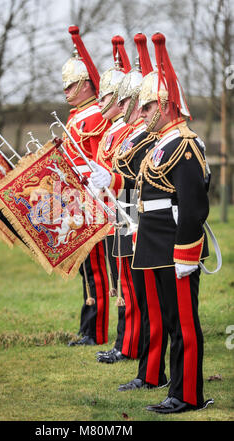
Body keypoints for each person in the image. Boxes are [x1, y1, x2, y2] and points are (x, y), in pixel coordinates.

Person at [93, 32, 214, 413]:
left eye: (146, 109)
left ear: (163, 106)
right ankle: (174, 388)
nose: (140, 116)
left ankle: (187, 394)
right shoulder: (164, 141)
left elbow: (193, 206)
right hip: (156, 242)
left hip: (175, 247)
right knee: (173, 324)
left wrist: (187, 252)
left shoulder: (185, 143)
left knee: (184, 326)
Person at [92, 35, 143, 363]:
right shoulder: (126, 131)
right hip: (120, 207)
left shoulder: (139, 134)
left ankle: (131, 344)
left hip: (132, 209)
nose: (121, 108)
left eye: (127, 102)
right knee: (124, 280)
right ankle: (125, 343)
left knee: (133, 283)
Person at [61, 26, 112, 346]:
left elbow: (94, 162)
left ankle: (96, 331)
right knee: (85, 267)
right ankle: (87, 327)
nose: (65, 90)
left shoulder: (92, 115)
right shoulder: (78, 114)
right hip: (76, 198)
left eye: (71, 85)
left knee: (95, 268)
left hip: (91, 198)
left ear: (84, 85)